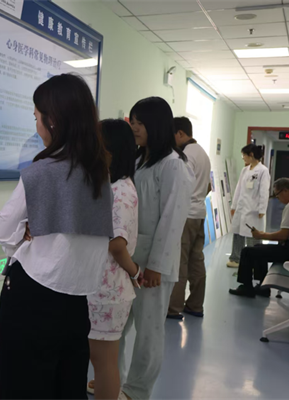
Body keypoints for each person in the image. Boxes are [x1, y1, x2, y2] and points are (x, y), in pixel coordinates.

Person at [0, 74, 113, 400]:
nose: (36, 126)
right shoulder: (100, 175)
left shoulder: (40, 171)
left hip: (32, 298)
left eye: (37, 117)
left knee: (19, 385)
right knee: (67, 385)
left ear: (53, 120)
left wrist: (21, 237)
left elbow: (6, 229)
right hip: (76, 304)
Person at [117, 97, 194, 400]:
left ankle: (137, 390)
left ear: (156, 124)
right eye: (132, 121)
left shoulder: (174, 165)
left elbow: (172, 220)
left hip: (153, 265)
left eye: (140, 122)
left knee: (148, 333)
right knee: (116, 323)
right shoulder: (137, 160)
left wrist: (156, 266)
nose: (134, 127)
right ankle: (111, 376)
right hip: (126, 260)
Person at [86, 119, 141, 400]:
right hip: (100, 288)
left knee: (104, 363)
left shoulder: (121, 190)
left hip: (109, 291)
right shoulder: (110, 184)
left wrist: (135, 271)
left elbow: (117, 243)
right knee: (100, 361)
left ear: (111, 148)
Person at [167, 117, 211, 319]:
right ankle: (195, 305)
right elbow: (208, 186)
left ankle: (173, 308)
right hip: (200, 214)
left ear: (180, 134)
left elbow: (180, 186)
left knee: (180, 262)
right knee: (197, 261)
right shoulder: (202, 153)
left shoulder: (185, 155)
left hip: (185, 215)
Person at [229, 178, 289, 297]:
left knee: (247, 252)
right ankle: (263, 286)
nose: (278, 198)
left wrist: (262, 235)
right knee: (258, 247)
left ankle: (247, 288)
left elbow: (283, 236)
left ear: (286, 191)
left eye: (277, 195)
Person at [227, 144, 270, 268]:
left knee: (253, 236)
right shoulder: (245, 170)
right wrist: (234, 206)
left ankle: (254, 262)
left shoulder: (263, 171)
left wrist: (262, 209)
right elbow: (238, 189)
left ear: (251, 155)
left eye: (244, 155)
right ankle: (235, 258)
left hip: (254, 210)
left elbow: (264, 191)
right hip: (241, 208)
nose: (243, 158)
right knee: (237, 234)